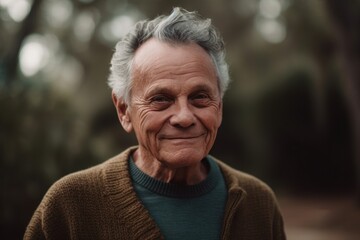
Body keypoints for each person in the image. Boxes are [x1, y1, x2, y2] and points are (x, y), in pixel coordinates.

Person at [24, 7, 286, 240]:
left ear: (219, 106)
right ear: (124, 110)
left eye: (200, 97)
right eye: (160, 99)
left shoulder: (258, 202)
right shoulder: (71, 205)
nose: (184, 117)